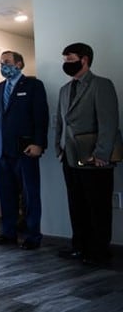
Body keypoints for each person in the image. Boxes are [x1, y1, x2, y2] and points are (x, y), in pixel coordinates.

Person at [55, 43, 120, 266]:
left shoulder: (101, 85)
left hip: (94, 157)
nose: (66, 63)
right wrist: (58, 147)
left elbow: (109, 121)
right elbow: (60, 121)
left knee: (98, 205)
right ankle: (79, 246)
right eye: (64, 59)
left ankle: (100, 251)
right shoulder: (64, 90)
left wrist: (102, 153)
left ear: (84, 59)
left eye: (70, 58)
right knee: (76, 204)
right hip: (69, 157)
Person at [0, 50, 49, 250]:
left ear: (19, 64)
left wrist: (39, 143)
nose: (3, 65)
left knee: (30, 195)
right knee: (6, 195)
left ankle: (32, 236)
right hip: (2, 151)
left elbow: (41, 117)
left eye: (7, 62)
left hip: (26, 150)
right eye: (1, 62)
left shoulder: (34, 86)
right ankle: (8, 233)